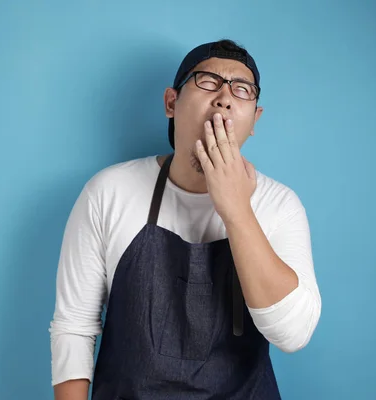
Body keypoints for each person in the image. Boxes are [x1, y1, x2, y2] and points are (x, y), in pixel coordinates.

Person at [49, 39, 322, 400]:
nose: (225, 96)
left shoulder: (280, 205)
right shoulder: (108, 192)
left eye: (242, 89)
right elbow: (74, 327)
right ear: (171, 103)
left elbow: (293, 334)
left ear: (254, 119)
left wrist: (237, 210)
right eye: (208, 80)